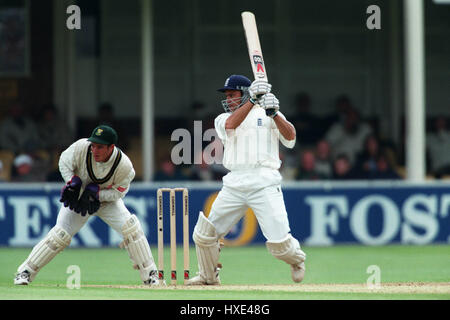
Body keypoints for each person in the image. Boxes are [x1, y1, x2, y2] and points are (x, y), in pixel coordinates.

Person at [186, 75, 306, 286]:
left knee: (280, 246)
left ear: (243, 93)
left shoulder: (267, 112)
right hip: (235, 182)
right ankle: (208, 277)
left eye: (232, 95)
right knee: (205, 235)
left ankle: (296, 260)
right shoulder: (223, 118)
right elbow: (232, 124)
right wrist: (252, 99)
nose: (228, 99)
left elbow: (290, 138)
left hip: (264, 181)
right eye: (227, 95)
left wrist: (275, 113)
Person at [14, 125, 161, 286]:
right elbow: (64, 161)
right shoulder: (81, 147)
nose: (94, 150)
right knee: (59, 235)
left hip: (106, 202)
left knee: (131, 229)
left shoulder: (124, 166)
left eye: (100, 147)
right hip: (79, 199)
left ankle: (151, 275)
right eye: (93, 145)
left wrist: (97, 195)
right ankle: (25, 272)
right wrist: (72, 181)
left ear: (111, 147)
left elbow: (119, 192)